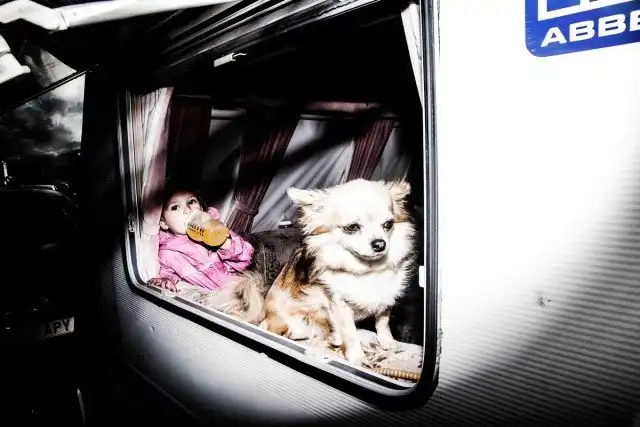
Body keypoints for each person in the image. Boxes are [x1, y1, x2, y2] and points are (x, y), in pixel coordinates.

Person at [147, 186, 254, 292]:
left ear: (201, 209)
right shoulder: (169, 253)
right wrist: (166, 280)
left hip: (246, 285)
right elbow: (167, 272)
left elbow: (247, 260)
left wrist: (227, 244)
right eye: (175, 207)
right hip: (220, 295)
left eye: (191, 202)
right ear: (164, 223)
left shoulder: (216, 229)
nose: (188, 210)